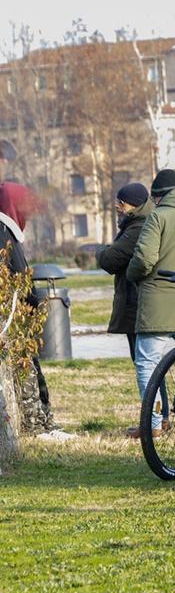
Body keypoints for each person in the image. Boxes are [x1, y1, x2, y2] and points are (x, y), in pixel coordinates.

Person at [126, 169, 175, 438]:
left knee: (147, 363)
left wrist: (131, 275)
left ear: (157, 197)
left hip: (157, 301)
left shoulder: (157, 216)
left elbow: (145, 258)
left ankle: (154, 423)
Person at [0, 181, 64, 438]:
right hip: (13, 316)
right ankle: (35, 425)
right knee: (26, 371)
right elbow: (17, 277)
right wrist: (32, 302)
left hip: (15, 314)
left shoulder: (8, 231)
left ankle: (43, 422)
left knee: (30, 368)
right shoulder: (4, 232)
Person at [96, 183, 153, 360]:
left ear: (134, 205)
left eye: (121, 202)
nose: (117, 207)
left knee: (143, 362)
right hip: (135, 301)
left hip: (136, 301)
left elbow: (109, 260)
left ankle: (152, 390)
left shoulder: (138, 227)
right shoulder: (135, 224)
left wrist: (102, 250)